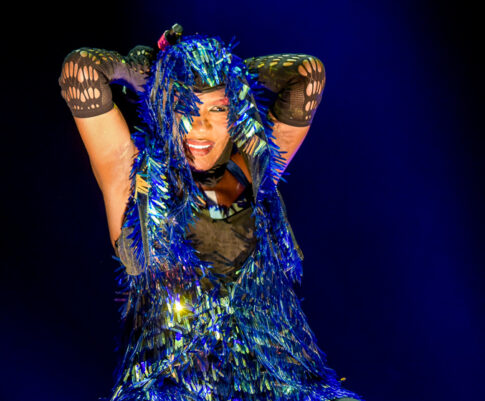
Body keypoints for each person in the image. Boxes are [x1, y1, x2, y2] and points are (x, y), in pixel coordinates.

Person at [58, 28, 364, 401]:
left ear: (236, 111)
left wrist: (226, 71)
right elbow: (80, 73)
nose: (199, 126)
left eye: (217, 108)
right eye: (183, 105)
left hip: (283, 388)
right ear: (162, 105)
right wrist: (152, 71)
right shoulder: (133, 177)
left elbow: (308, 76)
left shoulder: (254, 172)